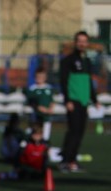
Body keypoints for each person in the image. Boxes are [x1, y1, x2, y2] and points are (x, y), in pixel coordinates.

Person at [59, 31, 100, 173]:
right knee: (73, 131)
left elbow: (88, 82)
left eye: (84, 41)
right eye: (79, 41)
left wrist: (94, 100)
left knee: (80, 132)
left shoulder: (87, 61)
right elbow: (63, 82)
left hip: (84, 102)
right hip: (73, 101)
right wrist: (67, 100)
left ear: (87, 43)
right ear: (75, 42)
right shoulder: (68, 60)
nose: (82, 43)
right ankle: (65, 161)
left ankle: (72, 161)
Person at [25, 66, 55, 142]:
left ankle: (44, 147)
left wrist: (50, 109)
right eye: (38, 77)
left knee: (46, 135)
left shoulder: (49, 88)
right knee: (33, 132)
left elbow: (52, 100)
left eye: (42, 76)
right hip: (36, 116)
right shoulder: (33, 88)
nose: (40, 78)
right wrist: (40, 108)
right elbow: (31, 102)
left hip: (46, 116)